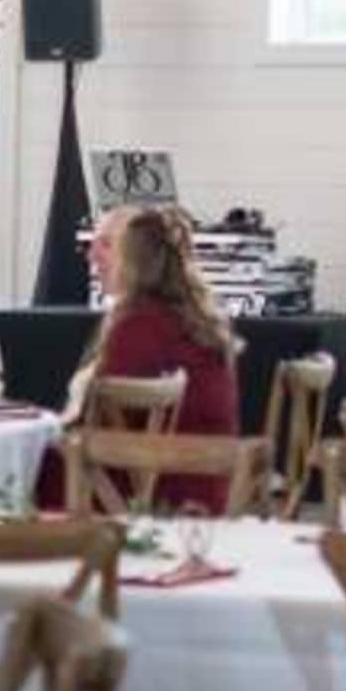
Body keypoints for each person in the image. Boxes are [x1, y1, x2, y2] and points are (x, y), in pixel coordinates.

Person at [40, 204, 240, 510]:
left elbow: (103, 415)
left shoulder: (141, 325)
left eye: (107, 245)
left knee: (22, 464)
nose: (92, 256)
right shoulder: (193, 319)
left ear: (133, 259)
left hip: (158, 488)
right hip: (203, 478)